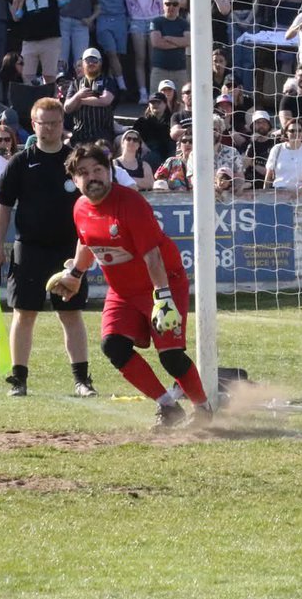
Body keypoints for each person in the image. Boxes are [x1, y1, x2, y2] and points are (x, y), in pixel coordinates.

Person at [55, 144, 212, 427]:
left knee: (171, 357)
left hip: (162, 283)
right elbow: (86, 243)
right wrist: (75, 275)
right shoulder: (79, 208)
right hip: (123, 291)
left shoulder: (130, 203)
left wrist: (163, 298)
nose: (92, 177)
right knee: (113, 346)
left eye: (98, 170)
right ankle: (168, 407)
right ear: (74, 180)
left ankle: (203, 409)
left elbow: (153, 257)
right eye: (83, 173)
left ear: (110, 172)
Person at [0, 97, 97, 398]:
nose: (49, 129)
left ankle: (82, 380)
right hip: (30, 248)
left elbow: (92, 202)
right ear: (33, 125)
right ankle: (19, 379)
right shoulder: (20, 162)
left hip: (68, 250)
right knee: (24, 313)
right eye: (43, 123)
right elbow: (4, 207)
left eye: (55, 123)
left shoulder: (75, 162)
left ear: (63, 124)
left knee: (71, 314)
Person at [12, 0, 62, 84]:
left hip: (50, 38)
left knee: (50, 76)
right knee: (27, 76)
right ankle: (31, 102)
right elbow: (15, 17)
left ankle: (51, 102)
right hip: (29, 41)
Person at [124, 0, 164, 102]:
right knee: (140, 58)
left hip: (154, 20)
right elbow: (129, 5)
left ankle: (153, 90)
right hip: (137, 22)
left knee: (153, 59)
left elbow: (162, 4)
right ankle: (142, 92)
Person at [64, 47, 118, 145]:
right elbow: (67, 108)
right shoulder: (75, 83)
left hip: (102, 134)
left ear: (100, 63)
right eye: (88, 60)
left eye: (94, 60)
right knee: (67, 146)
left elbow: (105, 100)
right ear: (83, 63)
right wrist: (78, 95)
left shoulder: (108, 81)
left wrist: (80, 100)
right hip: (80, 133)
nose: (91, 63)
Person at [57, 0, 98, 76]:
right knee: (61, 58)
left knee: (81, 59)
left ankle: (81, 86)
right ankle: (60, 86)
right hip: (63, 21)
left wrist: (90, 19)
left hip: (81, 25)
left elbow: (98, 7)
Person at [148, 0, 190, 96]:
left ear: (179, 6)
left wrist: (168, 38)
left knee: (182, 100)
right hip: (160, 69)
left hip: (179, 70)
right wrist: (179, 43)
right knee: (156, 99)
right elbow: (156, 42)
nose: (171, 6)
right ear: (163, 5)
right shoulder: (156, 21)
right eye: (168, 4)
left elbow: (188, 41)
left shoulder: (184, 23)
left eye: (175, 4)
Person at [264, 119, 302, 193]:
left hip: (299, 194)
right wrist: (266, 195)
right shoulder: (277, 148)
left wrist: (297, 194)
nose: (296, 133)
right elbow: (268, 177)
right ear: (286, 132)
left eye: (299, 130)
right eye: (292, 131)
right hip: (277, 193)